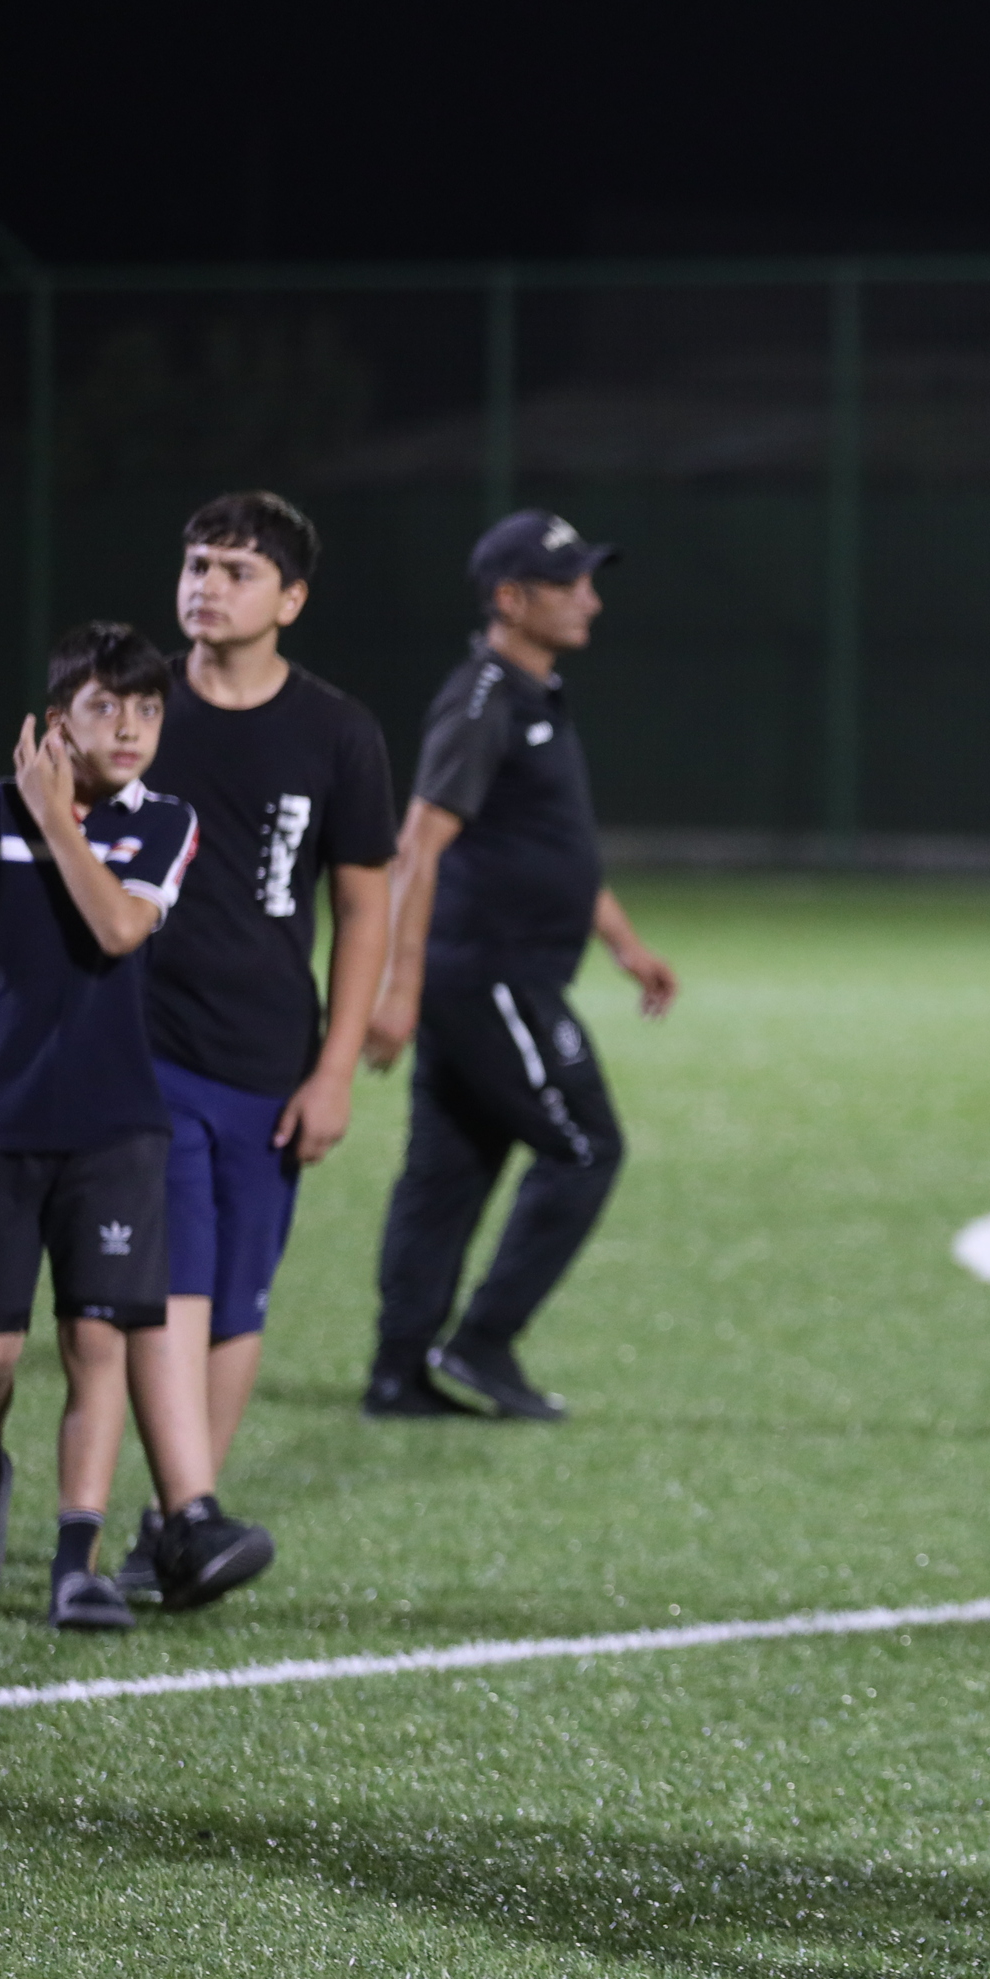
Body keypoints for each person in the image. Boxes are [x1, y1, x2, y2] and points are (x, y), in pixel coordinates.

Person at [0, 623, 272, 1632]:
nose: (130, 727)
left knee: (95, 1338)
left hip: (118, 1129)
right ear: (56, 721)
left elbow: (119, 929)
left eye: (148, 709)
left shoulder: (166, 822)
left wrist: (57, 821)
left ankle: (77, 1563)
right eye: (105, 706)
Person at [112, 492, 395, 1596]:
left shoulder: (338, 732)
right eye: (197, 564)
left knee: (236, 1302)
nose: (207, 586)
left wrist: (334, 1070)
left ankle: (173, 1529)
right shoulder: (134, 710)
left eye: (236, 570)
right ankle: (192, 1511)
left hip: (271, 1061)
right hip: (147, 1048)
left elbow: (363, 907)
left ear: (292, 599)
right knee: (173, 1279)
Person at [361, 511, 677, 1421]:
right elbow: (417, 846)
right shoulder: (482, 700)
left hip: (497, 973)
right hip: (488, 976)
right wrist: (397, 989)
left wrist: (622, 942)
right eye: (570, 583)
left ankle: (398, 1373)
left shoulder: (534, 695)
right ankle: (483, 1341)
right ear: (511, 599)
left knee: (448, 1170)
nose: (591, 600)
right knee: (586, 1147)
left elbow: (546, 844)